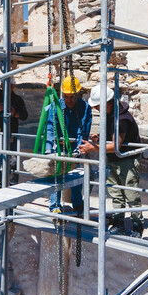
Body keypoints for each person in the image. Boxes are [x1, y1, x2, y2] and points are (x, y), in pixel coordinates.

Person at [79, 84, 144, 238]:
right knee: (115, 192)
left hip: (127, 161)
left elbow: (116, 146)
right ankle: (118, 222)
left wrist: (93, 147)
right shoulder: (110, 114)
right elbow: (112, 138)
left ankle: (137, 225)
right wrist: (101, 138)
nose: (96, 109)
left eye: (97, 106)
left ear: (105, 103)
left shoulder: (121, 119)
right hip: (114, 159)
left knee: (131, 194)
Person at [46, 76, 92, 215]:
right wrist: (49, 149)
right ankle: (55, 206)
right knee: (56, 175)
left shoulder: (84, 108)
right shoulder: (55, 107)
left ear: (78, 95)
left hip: (75, 146)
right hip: (58, 147)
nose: (69, 100)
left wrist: (78, 150)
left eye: (72, 97)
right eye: (66, 96)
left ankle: (78, 205)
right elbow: (50, 128)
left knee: (76, 175)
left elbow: (82, 130)